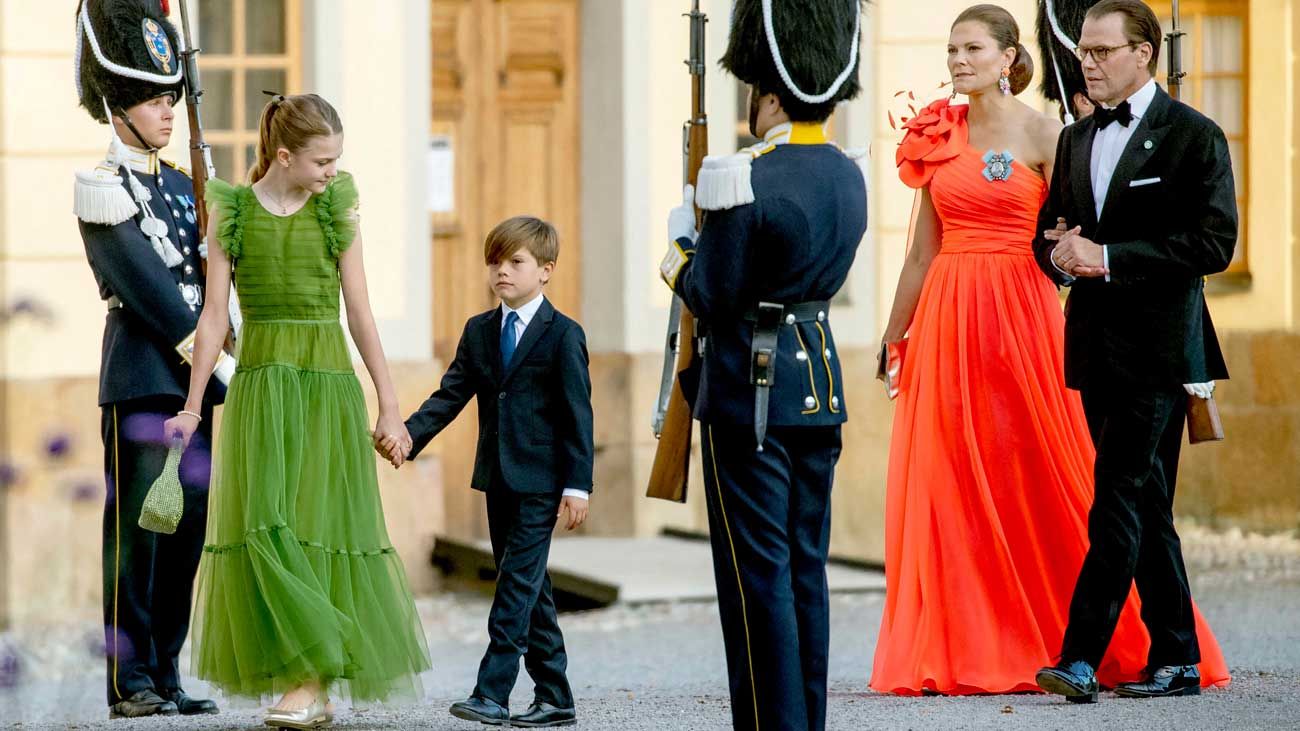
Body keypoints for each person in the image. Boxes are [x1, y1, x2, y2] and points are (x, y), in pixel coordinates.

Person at [871, 3, 1229, 698]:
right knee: (1097, 494)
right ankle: (1146, 649)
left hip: (1037, 323)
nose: (957, 60)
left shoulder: (1074, 134)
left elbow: (1189, 241)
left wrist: (1091, 258)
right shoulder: (962, 135)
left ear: (1009, 57)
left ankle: (1086, 653)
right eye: (951, 48)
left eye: (972, 47)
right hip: (961, 319)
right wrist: (896, 333)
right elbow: (936, 250)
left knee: (1092, 486)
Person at [163, 93, 431, 728]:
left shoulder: (337, 211)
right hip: (259, 388)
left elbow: (360, 314)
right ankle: (305, 673)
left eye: (336, 159)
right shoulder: (230, 215)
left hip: (327, 385)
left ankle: (310, 684)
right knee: (266, 524)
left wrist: (392, 408)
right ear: (284, 157)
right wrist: (194, 407)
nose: (332, 171)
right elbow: (211, 321)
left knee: (317, 524)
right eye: (321, 161)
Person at [656, 1, 867, 728]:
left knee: (758, 575)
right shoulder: (847, 173)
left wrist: (681, 247)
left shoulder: (741, 175)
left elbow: (712, 291)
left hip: (751, 388)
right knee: (806, 566)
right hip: (819, 384)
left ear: (770, 92)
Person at [1034, 0, 1237, 703]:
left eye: (1100, 51)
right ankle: (1177, 656)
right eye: (1082, 51)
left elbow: (1212, 245)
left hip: (1159, 348)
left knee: (1117, 494)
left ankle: (1080, 655)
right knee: (1147, 502)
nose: (1085, 62)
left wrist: (1108, 257)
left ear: (1144, 52)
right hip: (1094, 345)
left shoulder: (1194, 137)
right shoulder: (1075, 140)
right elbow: (1049, 237)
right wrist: (1060, 255)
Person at [73, 0, 231, 718]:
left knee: (188, 526)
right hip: (144, 377)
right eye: (150, 100)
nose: (166, 112)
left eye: (170, 98)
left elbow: (212, 284)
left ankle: (167, 670)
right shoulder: (102, 187)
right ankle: (127, 680)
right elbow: (155, 294)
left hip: (196, 383)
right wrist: (216, 366)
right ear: (118, 108)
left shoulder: (181, 184)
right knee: (138, 531)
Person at [390, 216, 593, 728]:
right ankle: (556, 695)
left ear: (545, 271)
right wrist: (409, 436)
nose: (502, 271)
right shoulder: (480, 331)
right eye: (495, 261)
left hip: (543, 481)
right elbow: (451, 393)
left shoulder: (564, 335)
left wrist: (578, 485)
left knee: (514, 588)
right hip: (498, 478)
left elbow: (578, 415)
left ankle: (492, 693)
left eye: (516, 261)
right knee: (528, 586)